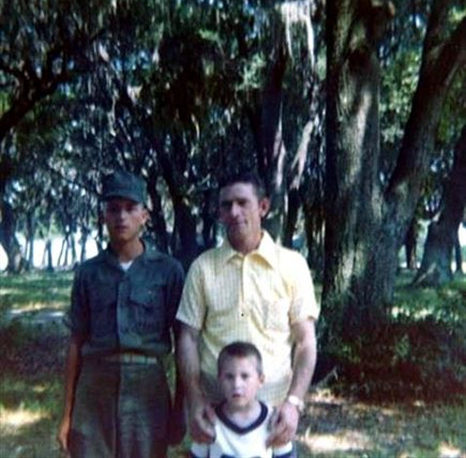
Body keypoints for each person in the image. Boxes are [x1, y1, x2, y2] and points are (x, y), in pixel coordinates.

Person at [177, 171, 319, 450]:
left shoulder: (292, 266)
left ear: (263, 207)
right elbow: (187, 338)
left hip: (274, 417)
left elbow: (306, 342)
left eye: (243, 203)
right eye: (226, 205)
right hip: (214, 415)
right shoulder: (203, 268)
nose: (234, 212)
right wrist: (194, 399)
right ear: (219, 213)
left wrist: (294, 403)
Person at [57, 170, 185, 458]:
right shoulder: (88, 273)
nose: (122, 217)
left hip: (148, 390)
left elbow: (183, 343)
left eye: (130, 208)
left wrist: (180, 409)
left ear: (144, 216)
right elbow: (76, 342)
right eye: (114, 209)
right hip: (94, 389)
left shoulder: (168, 271)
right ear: (104, 216)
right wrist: (67, 414)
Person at [190, 341, 294, 458]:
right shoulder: (209, 421)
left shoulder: (273, 421)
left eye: (245, 376)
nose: (237, 384)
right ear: (220, 379)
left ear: (260, 380)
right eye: (229, 377)